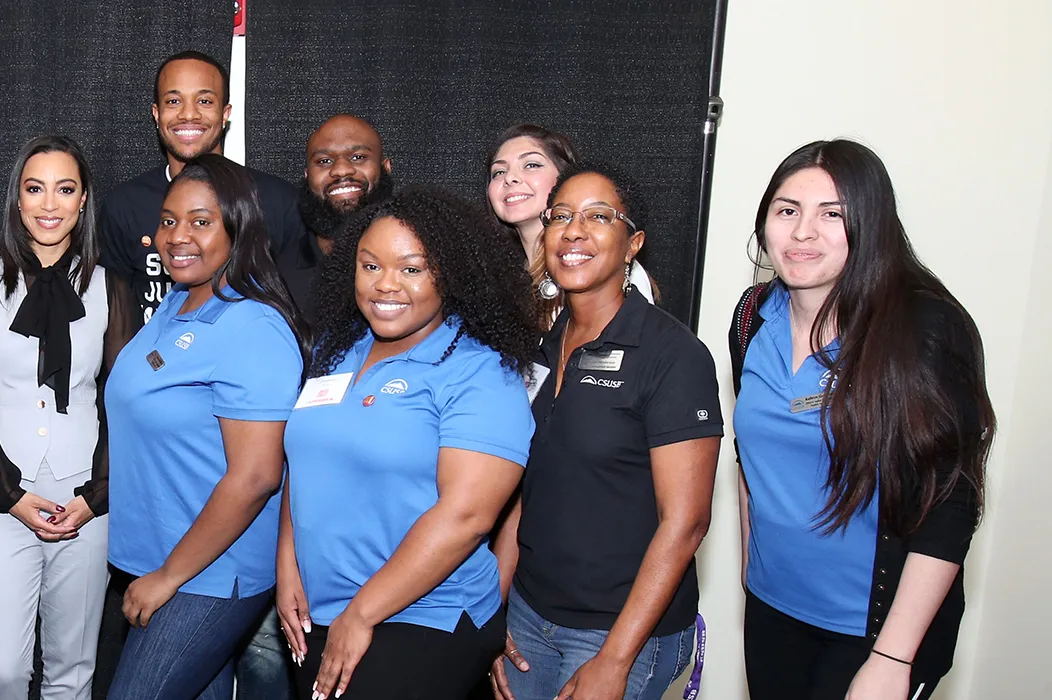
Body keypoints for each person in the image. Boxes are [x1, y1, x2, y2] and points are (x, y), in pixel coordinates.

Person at [731, 140, 993, 699]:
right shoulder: (752, 317)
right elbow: (750, 457)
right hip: (773, 612)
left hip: (874, 635)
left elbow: (951, 502)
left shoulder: (924, 328)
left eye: (833, 215)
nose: (804, 233)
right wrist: (750, 578)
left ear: (871, 225)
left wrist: (892, 658)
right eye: (787, 211)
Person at [279, 187, 537, 700]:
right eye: (370, 266)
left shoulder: (480, 373)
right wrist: (287, 564)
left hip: (427, 613)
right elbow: (303, 462)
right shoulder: (339, 353)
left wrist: (362, 611)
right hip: (321, 609)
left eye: (412, 269)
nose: (386, 285)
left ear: (450, 275)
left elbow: (466, 516)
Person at [488, 165, 722, 700]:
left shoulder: (671, 354)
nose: (574, 232)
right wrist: (494, 614)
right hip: (529, 618)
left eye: (598, 217)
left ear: (632, 243)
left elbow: (686, 523)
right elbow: (525, 491)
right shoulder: (542, 346)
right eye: (561, 217)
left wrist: (615, 660)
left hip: (621, 634)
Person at [102, 154, 306, 700]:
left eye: (200, 221)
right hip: (162, 557)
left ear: (237, 228)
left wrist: (169, 577)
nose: (178, 236)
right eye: (168, 220)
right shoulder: (174, 304)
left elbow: (257, 476)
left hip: (210, 571)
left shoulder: (253, 325)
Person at [0, 135, 138, 699]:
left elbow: (122, 402)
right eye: (35, 188)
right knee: (2, 668)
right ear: (17, 200)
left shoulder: (111, 288)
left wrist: (95, 496)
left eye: (65, 189)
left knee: (72, 672)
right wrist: (7, 493)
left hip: (85, 500)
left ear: (83, 202)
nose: (49, 203)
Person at [98, 50, 309, 322]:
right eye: (174, 101)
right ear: (156, 114)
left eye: (204, 101)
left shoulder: (276, 201)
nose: (188, 114)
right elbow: (115, 319)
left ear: (225, 114)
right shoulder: (123, 205)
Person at [484, 125, 653, 310]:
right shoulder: (497, 278)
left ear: (565, 178)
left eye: (531, 165)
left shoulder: (610, 267)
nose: (510, 178)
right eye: (499, 172)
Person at [290, 114, 396, 320]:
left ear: (385, 168)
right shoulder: (277, 271)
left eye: (358, 157)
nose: (341, 170)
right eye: (324, 161)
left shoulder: (421, 258)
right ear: (307, 176)